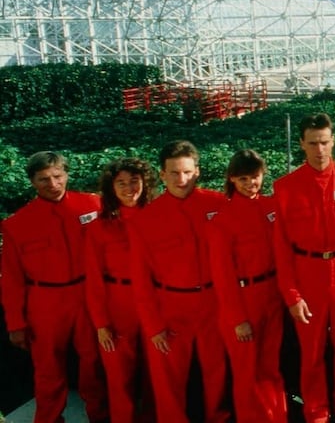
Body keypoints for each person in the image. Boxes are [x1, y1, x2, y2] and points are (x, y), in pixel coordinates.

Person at [273, 113, 335, 423]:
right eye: (313, 143)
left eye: (325, 142)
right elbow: (281, 250)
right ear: (302, 143)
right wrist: (292, 295)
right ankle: (316, 413)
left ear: (333, 142)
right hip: (307, 274)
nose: (320, 150)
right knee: (312, 352)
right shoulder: (286, 188)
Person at [1, 151, 109, 423]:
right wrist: (15, 323)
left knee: (94, 361)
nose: (53, 184)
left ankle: (99, 414)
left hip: (87, 295)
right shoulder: (17, 224)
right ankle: (49, 418)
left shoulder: (93, 205)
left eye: (58, 176)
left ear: (66, 174)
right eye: (43, 179)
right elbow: (11, 279)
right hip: (45, 302)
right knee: (47, 367)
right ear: (32, 181)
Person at [129, 140, 230, 423]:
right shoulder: (145, 220)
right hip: (170, 308)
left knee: (217, 371)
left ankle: (218, 418)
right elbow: (141, 280)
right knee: (167, 378)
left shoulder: (219, 205)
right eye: (174, 173)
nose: (181, 179)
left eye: (187, 172)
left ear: (197, 171)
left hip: (214, 303)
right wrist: (153, 326)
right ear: (162, 174)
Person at [207, 149, 288, 423]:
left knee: (271, 367)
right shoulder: (222, 220)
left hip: (272, 294)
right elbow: (222, 275)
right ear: (232, 179)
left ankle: (277, 416)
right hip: (244, 300)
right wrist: (237, 319)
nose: (251, 183)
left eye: (255, 177)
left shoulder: (271, 207)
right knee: (247, 373)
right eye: (243, 178)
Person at [84, 157, 158, 423]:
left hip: (155, 303)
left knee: (157, 375)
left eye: (134, 181)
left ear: (145, 183)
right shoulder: (99, 227)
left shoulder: (158, 218)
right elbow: (94, 279)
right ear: (111, 188)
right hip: (118, 305)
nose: (129, 188)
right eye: (121, 183)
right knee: (119, 376)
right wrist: (101, 323)